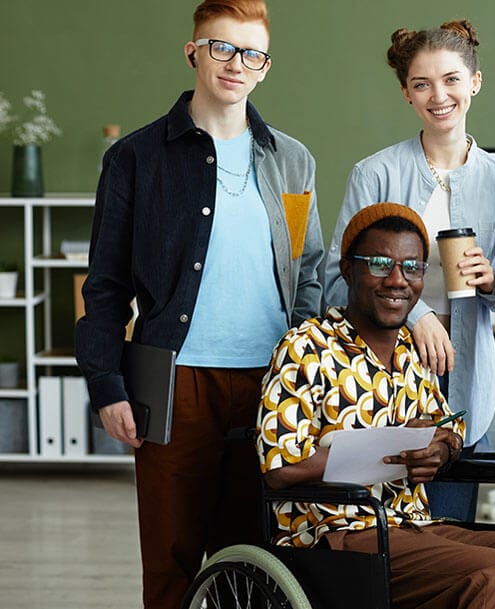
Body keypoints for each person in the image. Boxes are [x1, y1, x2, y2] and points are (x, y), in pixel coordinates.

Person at [74, 1, 324, 607]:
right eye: (223, 48)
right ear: (194, 52)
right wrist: (106, 383)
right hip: (173, 383)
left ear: (266, 66)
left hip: (273, 385)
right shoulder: (136, 158)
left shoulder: (291, 160)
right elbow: (105, 284)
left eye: (253, 54)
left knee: (262, 556)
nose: (238, 64)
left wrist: (308, 370)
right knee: (172, 559)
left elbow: (308, 270)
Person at [259, 203, 495, 609]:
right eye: (379, 264)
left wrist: (437, 451)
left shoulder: (411, 353)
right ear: (348, 269)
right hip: (337, 533)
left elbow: (448, 429)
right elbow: (279, 469)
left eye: (412, 267)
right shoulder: (306, 347)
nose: (397, 280)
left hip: (414, 524)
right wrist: (377, 451)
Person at [322, 19, 495, 521]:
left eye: (452, 79)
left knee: (449, 535)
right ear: (406, 93)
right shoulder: (376, 173)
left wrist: (493, 281)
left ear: (475, 82)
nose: (439, 95)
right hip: (372, 383)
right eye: (422, 83)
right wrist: (417, 316)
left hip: (462, 385)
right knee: (376, 539)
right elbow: (333, 278)